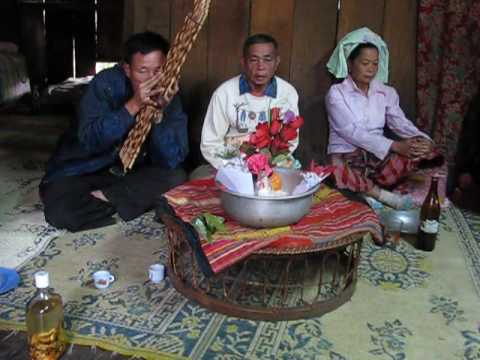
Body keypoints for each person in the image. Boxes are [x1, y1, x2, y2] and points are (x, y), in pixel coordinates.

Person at [40, 31, 189, 232]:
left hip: (127, 175)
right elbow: (91, 140)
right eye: (142, 71)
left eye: (159, 70)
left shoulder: (169, 92)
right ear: (127, 69)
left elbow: (172, 160)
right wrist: (134, 104)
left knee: (177, 178)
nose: (152, 79)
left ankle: (105, 198)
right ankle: (118, 201)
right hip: (84, 170)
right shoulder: (105, 84)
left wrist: (160, 114)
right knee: (61, 212)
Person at [325, 27, 440, 209]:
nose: (370, 69)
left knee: (426, 151)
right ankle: (382, 195)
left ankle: (367, 191)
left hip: (378, 158)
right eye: (365, 63)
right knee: (338, 170)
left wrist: (424, 140)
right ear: (350, 63)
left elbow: (400, 123)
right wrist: (394, 145)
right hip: (348, 154)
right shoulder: (336, 93)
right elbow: (352, 132)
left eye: (375, 64)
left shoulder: (386, 92)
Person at [198, 33, 299, 172]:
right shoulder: (224, 93)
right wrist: (238, 166)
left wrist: (267, 163)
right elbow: (210, 143)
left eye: (267, 59)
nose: (260, 67)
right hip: (231, 166)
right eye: (253, 60)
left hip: (274, 165)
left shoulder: (287, 93)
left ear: (277, 62)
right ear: (243, 62)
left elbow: (290, 140)